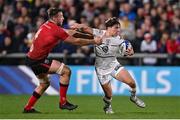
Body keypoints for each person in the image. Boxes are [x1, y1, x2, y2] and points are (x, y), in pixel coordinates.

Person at [23, 8, 102, 113]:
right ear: (55, 18)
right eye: (61, 16)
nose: (63, 18)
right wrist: (94, 41)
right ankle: (63, 102)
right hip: (38, 61)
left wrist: (92, 35)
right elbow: (76, 41)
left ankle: (28, 108)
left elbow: (70, 32)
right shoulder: (55, 30)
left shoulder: (48, 25)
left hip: (32, 58)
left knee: (44, 84)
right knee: (66, 71)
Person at [70, 17, 146, 114]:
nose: (118, 30)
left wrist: (130, 52)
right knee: (109, 95)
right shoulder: (99, 33)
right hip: (101, 69)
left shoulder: (119, 40)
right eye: (116, 27)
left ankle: (133, 97)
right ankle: (107, 106)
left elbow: (130, 50)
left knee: (131, 82)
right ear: (108, 28)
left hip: (113, 65)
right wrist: (78, 25)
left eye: (119, 28)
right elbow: (86, 28)